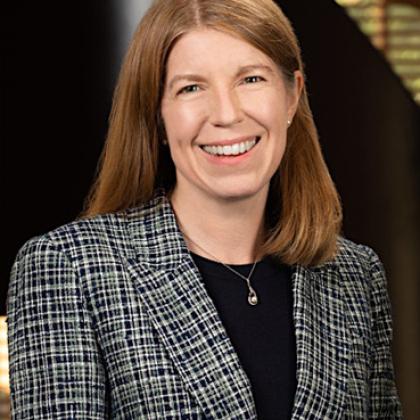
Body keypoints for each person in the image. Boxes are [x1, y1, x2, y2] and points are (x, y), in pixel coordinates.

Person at [7, 0, 403, 418]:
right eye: (191, 88)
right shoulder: (68, 268)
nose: (227, 114)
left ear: (291, 97)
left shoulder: (356, 277)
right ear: (156, 118)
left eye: (251, 79)